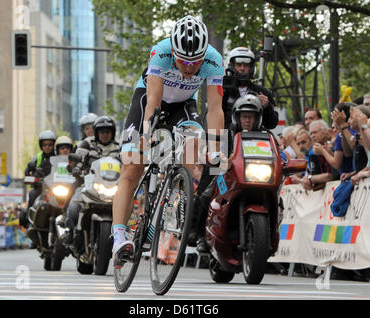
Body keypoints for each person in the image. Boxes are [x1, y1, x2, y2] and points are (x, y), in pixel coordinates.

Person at [112, 15, 225, 268]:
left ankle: (177, 195)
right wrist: (147, 134)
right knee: (132, 167)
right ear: (173, 51)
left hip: (183, 104)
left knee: (194, 142)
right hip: (148, 100)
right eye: (184, 61)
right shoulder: (161, 52)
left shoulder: (215, 60)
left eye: (195, 62)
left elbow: (215, 109)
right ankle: (118, 237)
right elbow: (152, 101)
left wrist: (218, 148)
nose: (189, 68)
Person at [194, 94, 265, 253]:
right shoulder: (226, 134)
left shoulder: (265, 135)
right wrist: (219, 157)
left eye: (251, 116)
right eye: (244, 116)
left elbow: (277, 153)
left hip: (257, 178)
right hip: (228, 176)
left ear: (258, 118)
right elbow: (212, 154)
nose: (247, 120)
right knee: (206, 196)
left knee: (278, 200)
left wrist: (283, 159)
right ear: (236, 117)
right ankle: (200, 235)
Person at [64, 116, 120, 242]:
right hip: (89, 183)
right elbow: (78, 159)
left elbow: (127, 164)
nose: (105, 134)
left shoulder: (119, 146)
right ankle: (70, 232)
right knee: (74, 206)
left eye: (108, 131)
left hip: (113, 185)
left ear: (113, 132)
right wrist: (75, 168)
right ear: (96, 132)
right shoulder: (87, 144)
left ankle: (125, 236)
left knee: (128, 204)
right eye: (101, 131)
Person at [300, 120, 337, 191]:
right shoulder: (313, 154)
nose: (313, 136)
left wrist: (310, 178)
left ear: (325, 131)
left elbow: (331, 175)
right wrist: (307, 180)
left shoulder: (333, 146)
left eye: (315, 132)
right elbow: (314, 175)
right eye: (311, 134)